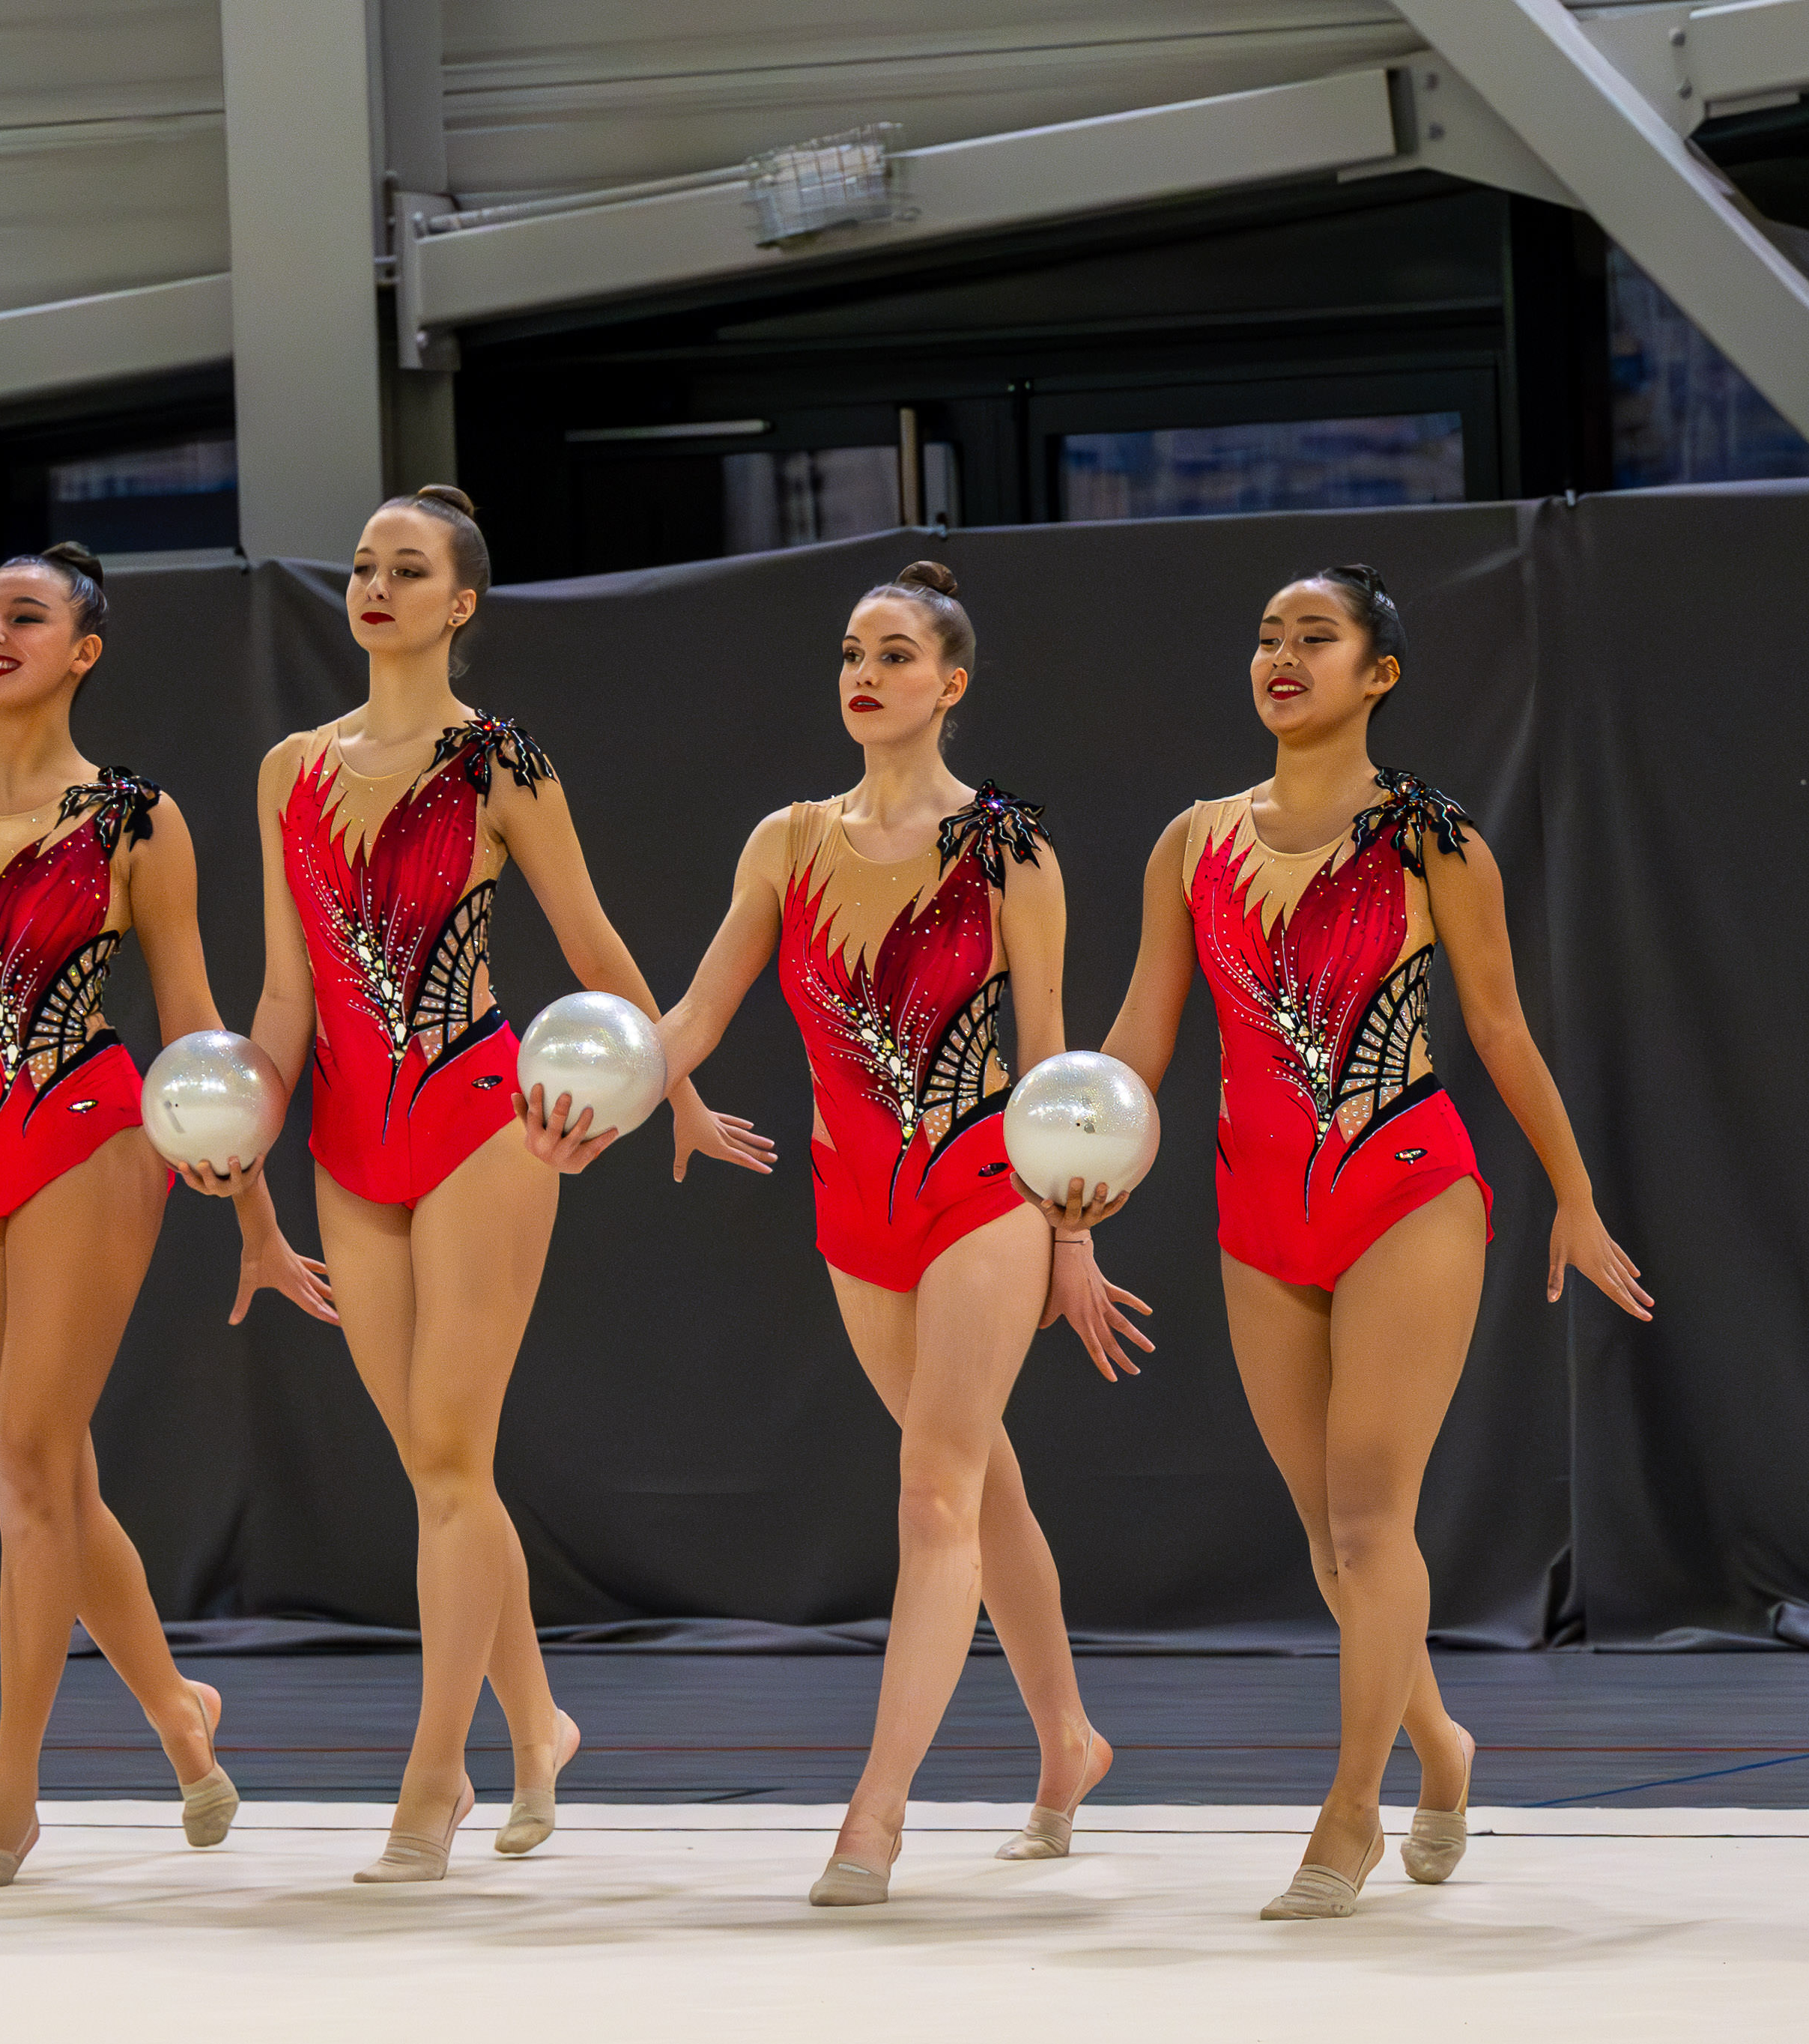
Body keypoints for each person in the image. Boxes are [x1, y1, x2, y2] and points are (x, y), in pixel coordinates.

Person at [534, 561, 1140, 1904]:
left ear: (952, 683)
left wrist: (1072, 1238)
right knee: (979, 1481)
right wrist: (613, 1104)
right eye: (853, 654)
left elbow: (1052, 1062)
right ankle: (1070, 1740)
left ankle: (876, 1812)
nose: (865, 675)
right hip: (853, 1198)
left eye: (896, 655)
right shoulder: (787, 842)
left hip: (981, 1186)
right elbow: (696, 1014)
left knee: (934, 1489)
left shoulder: (1008, 848)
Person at [201, 486, 768, 1883]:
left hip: (480, 1121)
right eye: (364, 566)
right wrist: (246, 1146)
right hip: (348, 1144)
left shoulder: (500, 761)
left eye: (409, 570)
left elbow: (596, 947)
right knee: (436, 1469)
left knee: (451, 1460)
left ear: (461, 604)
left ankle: (433, 1778)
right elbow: (284, 993)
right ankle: (540, 1726)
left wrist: (675, 1090)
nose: (376, 586)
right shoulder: (289, 770)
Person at [1088, 565, 1652, 1919]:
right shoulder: (1191, 843)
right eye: (1267, 636)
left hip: (1405, 1187)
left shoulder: (1430, 838)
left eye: (1316, 637)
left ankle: (1351, 1809)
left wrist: (1575, 1193)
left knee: (1367, 1516)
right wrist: (1074, 1170)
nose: (1282, 657)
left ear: (1378, 674)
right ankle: (1443, 1746)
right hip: (1257, 1207)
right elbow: (1142, 1038)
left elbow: (1502, 1029)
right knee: (1329, 1542)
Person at [0, 545, 336, 1887]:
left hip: (87, 1134)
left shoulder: (134, 820)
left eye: (25, 616)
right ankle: (181, 1715)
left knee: (31, 1465)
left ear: (83, 651)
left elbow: (198, 1031)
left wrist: (257, 1220)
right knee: (49, 1475)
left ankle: (15, 1792)